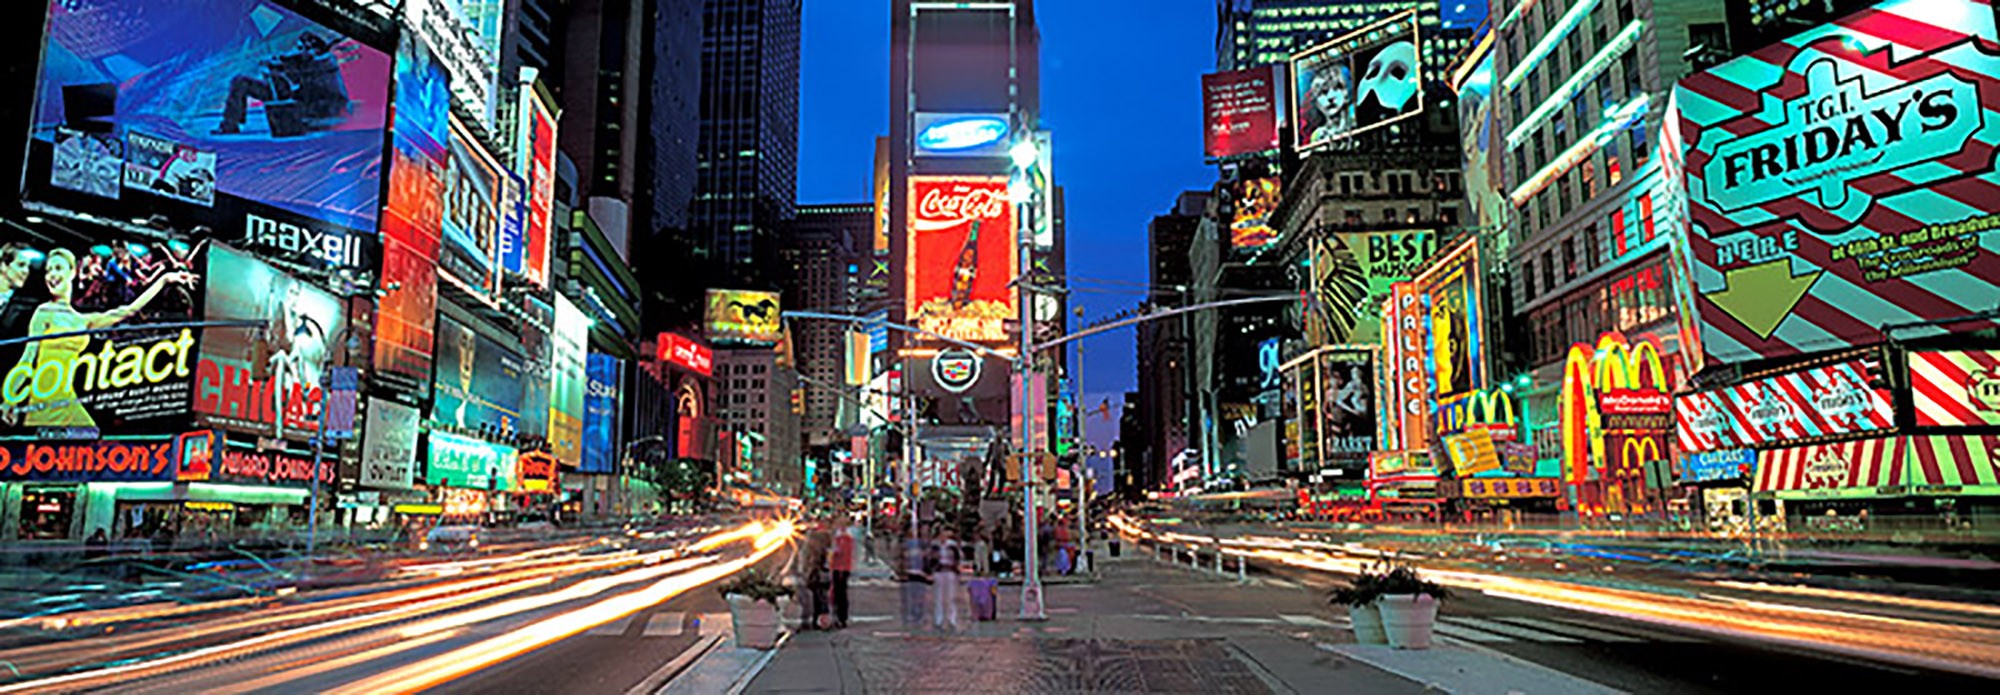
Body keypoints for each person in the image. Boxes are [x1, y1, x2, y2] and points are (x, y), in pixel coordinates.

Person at [5, 249, 195, 426]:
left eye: (58, 268)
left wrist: (164, 280)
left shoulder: (82, 320)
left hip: (68, 401)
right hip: (43, 403)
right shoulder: (44, 312)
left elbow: (127, 311)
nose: (52, 275)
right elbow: (27, 359)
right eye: (48, 270)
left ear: (72, 272)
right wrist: (9, 400)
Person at [931, 528, 963, 631]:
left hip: (950, 571)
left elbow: (958, 558)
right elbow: (930, 559)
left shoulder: (952, 546)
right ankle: (938, 620)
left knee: (951, 597)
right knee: (938, 597)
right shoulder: (935, 546)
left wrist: (956, 568)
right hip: (939, 571)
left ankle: (951, 619)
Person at [828, 518, 855, 629]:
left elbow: (839, 553)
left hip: (841, 568)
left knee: (840, 593)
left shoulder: (844, 538)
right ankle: (839, 616)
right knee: (838, 593)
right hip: (840, 568)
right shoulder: (842, 537)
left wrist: (830, 553)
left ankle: (841, 617)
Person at [900, 528, 929, 628]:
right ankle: (913, 615)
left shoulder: (922, 545)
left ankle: (917, 615)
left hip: (919, 574)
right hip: (910, 573)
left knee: (917, 596)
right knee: (912, 596)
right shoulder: (907, 545)